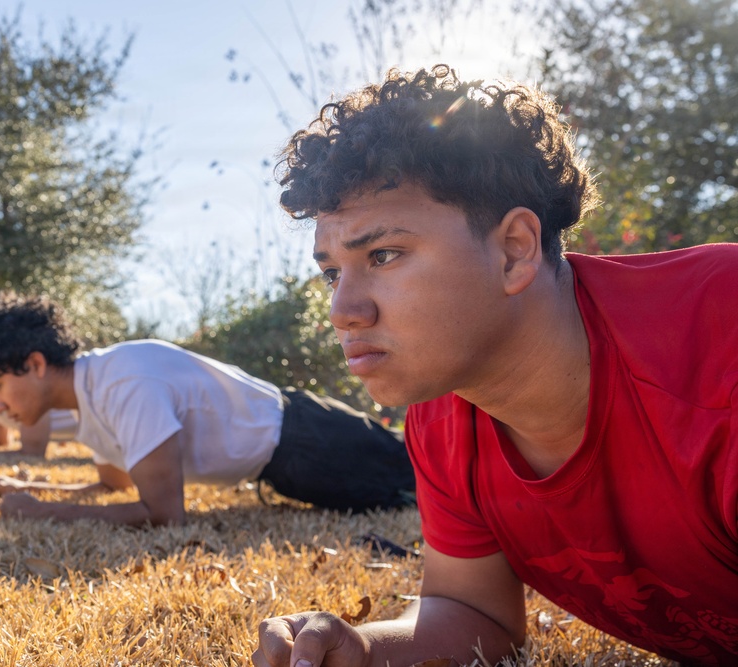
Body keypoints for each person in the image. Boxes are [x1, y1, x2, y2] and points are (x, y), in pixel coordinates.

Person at [250, 65, 738, 667]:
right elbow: (474, 612)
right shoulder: (443, 413)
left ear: (514, 250)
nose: (343, 311)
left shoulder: (720, 340)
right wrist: (365, 649)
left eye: (383, 254)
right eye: (331, 273)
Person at [0, 293, 416, 523]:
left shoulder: (123, 383)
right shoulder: (91, 395)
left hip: (313, 440)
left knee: (426, 474)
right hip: (289, 461)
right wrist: (28, 487)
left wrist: (42, 511)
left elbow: (164, 515)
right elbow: (112, 484)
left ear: (36, 365)